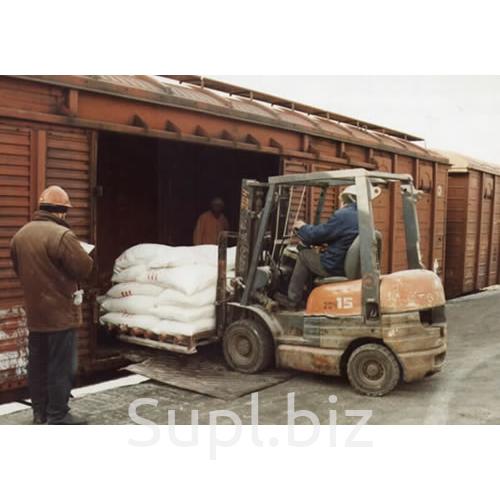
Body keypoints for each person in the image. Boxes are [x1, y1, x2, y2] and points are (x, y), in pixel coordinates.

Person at [10, 185, 94, 425]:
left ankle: (39, 413)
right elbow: (84, 269)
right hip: (60, 315)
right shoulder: (62, 235)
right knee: (60, 366)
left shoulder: (20, 235)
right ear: (61, 212)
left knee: (37, 365)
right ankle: (58, 415)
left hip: (36, 315)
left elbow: (19, 269)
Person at [275, 185, 361, 310]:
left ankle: (293, 300)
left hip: (333, 266)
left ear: (347, 199)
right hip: (344, 263)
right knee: (313, 256)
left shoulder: (344, 215)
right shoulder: (363, 217)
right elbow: (339, 237)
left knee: (304, 255)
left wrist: (302, 227)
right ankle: (307, 297)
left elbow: (318, 234)